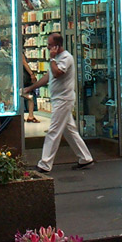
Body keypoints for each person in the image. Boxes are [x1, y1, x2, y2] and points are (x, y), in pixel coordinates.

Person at [24, 32, 93, 173]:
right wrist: (30, 88)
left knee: (54, 131)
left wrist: (52, 59)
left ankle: (45, 164)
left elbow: (56, 73)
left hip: (64, 99)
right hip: (59, 99)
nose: (48, 47)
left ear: (57, 45)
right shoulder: (56, 60)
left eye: (50, 45)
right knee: (70, 131)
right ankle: (86, 158)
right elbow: (48, 77)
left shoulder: (66, 58)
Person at [0, 38, 13, 105]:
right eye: (7, 43)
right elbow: (11, 61)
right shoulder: (2, 52)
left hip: (2, 76)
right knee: (5, 93)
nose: (9, 45)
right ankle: (5, 107)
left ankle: (3, 106)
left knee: (2, 94)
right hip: (4, 76)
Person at [23, 52, 40, 123]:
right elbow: (24, 63)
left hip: (21, 76)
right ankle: (30, 116)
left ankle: (27, 115)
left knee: (22, 94)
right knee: (29, 94)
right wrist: (31, 74)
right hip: (24, 77)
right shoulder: (19, 52)